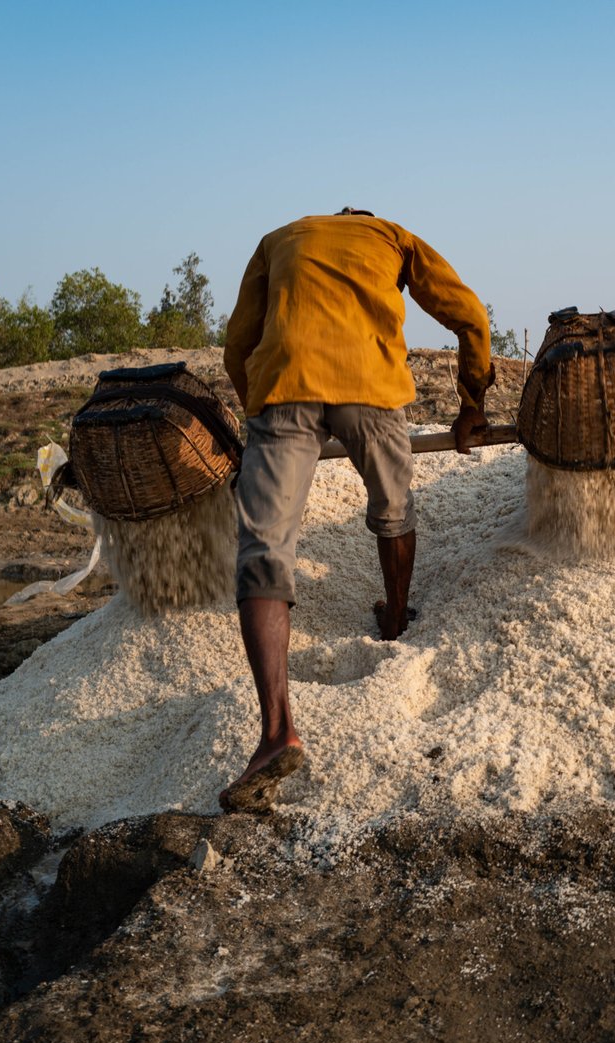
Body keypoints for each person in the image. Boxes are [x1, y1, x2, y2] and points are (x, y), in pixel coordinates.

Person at [217, 208, 493, 813]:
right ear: (363, 222)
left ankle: (276, 731)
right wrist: (472, 400)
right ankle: (394, 618)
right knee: (393, 507)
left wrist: (257, 410)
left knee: (264, 550)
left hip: (285, 384)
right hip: (370, 384)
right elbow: (467, 314)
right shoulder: (393, 237)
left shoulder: (279, 238)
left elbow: (239, 341)